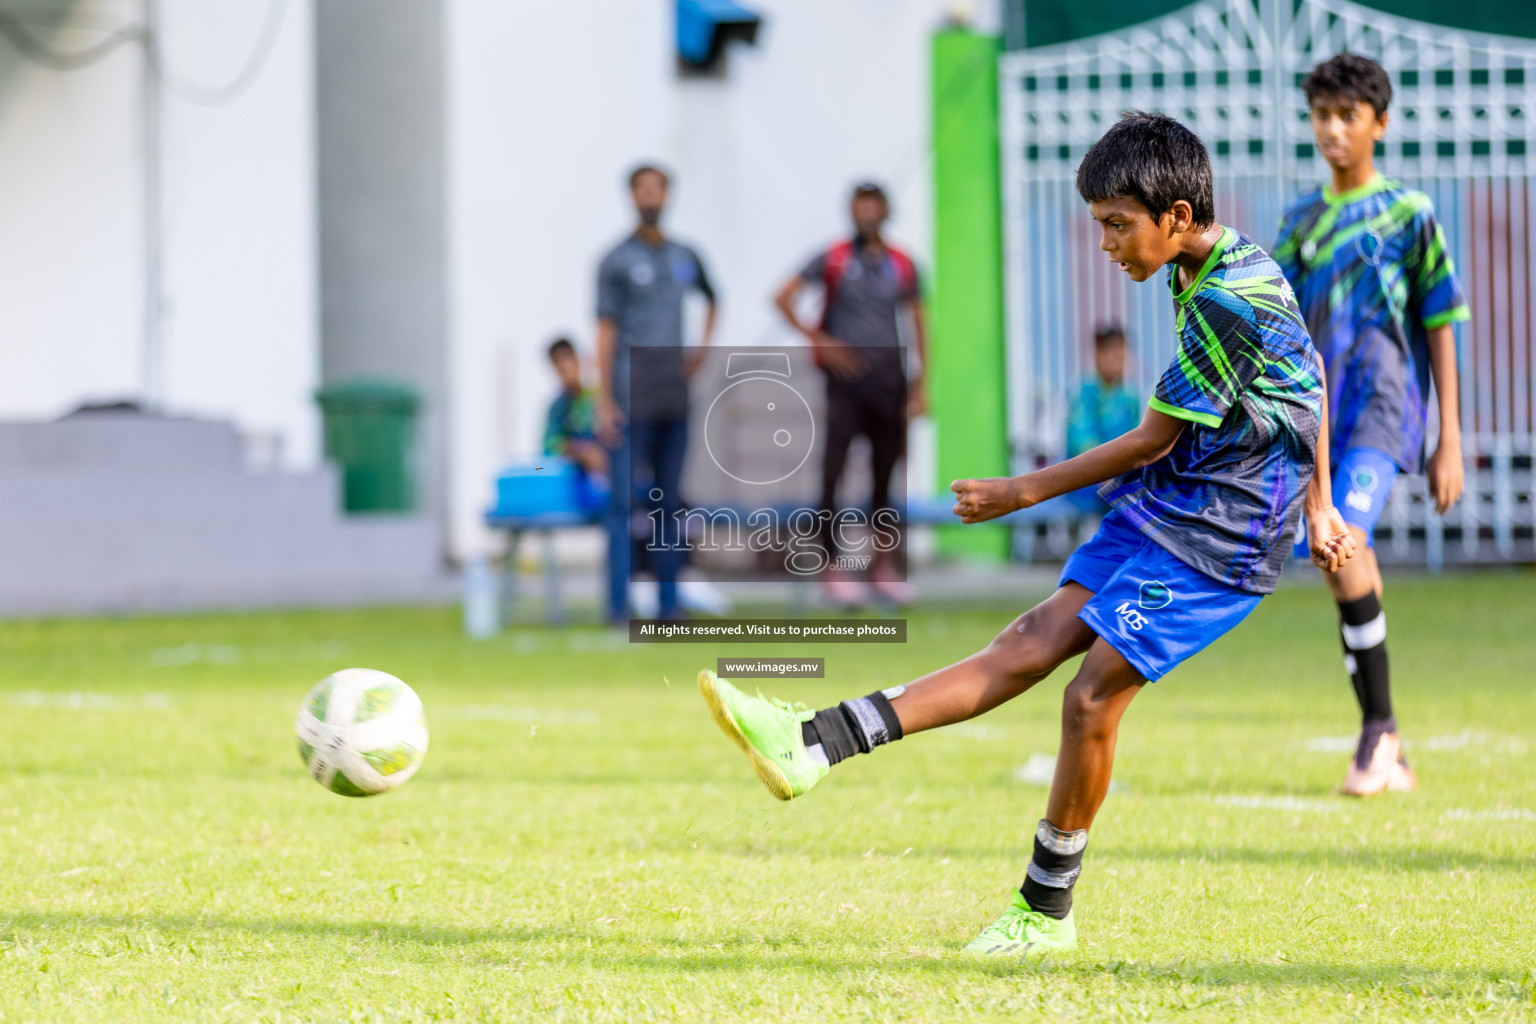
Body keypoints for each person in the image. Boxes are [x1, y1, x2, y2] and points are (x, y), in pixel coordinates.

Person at [697, 113, 1353, 956]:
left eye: (1119, 225)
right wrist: (1324, 503)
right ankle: (810, 743)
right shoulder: (1221, 263)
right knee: (1032, 637)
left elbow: (1154, 435)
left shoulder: (1228, 297)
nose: (1109, 245)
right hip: (1177, 502)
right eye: (1099, 226)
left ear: (1178, 217)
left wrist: (1022, 490)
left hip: (1224, 536)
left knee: (1090, 698)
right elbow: (1309, 372)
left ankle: (1044, 914)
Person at [1274, 54, 1468, 797]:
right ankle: (1393, 742)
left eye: (1347, 115)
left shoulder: (1410, 215)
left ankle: (1375, 733)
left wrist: (1448, 436)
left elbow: (1442, 319)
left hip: (1386, 414)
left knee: (1343, 541)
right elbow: (1278, 321)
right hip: (1316, 422)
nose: (1332, 129)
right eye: (1321, 114)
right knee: (1340, 562)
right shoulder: (1300, 220)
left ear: (1378, 124)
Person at [773, 182, 928, 607]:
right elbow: (782, 296)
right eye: (859, 207)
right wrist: (820, 341)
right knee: (833, 473)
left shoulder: (901, 264)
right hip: (844, 384)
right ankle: (831, 566)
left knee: (885, 476)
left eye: (873, 206)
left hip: (889, 381)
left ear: (884, 211)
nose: (866, 214)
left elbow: (918, 321)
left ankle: (882, 566)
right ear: (851, 212)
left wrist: (921, 383)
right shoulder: (835, 258)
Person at [595, 165, 717, 624]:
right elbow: (605, 330)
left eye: (657, 189)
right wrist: (604, 398)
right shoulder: (616, 260)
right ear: (632, 196)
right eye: (642, 189)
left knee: (669, 503)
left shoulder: (685, 255)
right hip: (630, 399)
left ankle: (669, 607)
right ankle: (617, 606)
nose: (650, 197)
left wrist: (700, 351)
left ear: (667, 195)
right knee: (623, 505)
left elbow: (713, 297)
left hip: (674, 399)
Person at [1064, 325, 1140, 513]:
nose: (1118, 356)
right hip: (1087, 485)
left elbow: (1138, 443)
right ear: (1097, 354)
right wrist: (1106, 472)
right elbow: (1082, 441)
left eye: (1121, 349)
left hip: (1120, 484)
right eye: (1111, 350)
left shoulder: (1129, 398)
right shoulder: (1083, 393)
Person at [543, 337, 606, 478]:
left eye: (566, 360)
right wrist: (581, 452)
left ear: (577, 361)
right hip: (572, 479)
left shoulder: (596, 398)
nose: (563, 368)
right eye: (557, 364)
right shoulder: (558, 407)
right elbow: (548, 446)